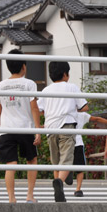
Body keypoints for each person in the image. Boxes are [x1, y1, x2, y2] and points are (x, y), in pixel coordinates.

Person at [0, 49, 41, 203]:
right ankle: (30, 196)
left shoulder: (1, 85)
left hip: (7, 129)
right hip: (26, 127)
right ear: (23, 66)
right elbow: (34, 108)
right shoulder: (29, 84)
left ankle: (11, 198)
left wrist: (2, 126)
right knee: (31, 160)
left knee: (10, 164)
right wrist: (38, 131)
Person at [38, 61, 88, 202]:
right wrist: (72, 108)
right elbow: (84, 107)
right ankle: (59, 182)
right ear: (65, 74)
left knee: (56, 161)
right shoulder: (71, 87)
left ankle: (58, 188)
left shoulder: (46, 90)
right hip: (67, 126)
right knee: (66, 160)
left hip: (50, 128)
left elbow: (39, 110)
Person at [73, 112, 107, 197]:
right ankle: (78, 189)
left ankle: (65, 178)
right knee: (80, 168)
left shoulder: (62, 111)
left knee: (61, 164)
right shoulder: (81, 114)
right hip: (77, 143)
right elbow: (97, 119)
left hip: (63, 143)